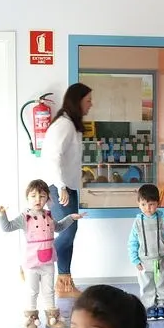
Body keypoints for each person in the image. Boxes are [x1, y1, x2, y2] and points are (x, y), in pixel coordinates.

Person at [0, 179, 85, 328]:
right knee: (32, 291)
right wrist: (2, 214)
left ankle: (52, 318)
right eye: (33, 196)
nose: (38, 199)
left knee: (49, 290)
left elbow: (59, 227)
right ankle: (31, 319)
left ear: (48, 198)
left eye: (42, 196)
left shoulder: (49, 215)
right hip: (32, 263)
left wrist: (71, 217)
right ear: (27, 198)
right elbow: (7, 227)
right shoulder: (24, 217)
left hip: (48, 261)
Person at [41, 82, 92, 299]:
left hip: (68, 186)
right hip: (59, 187)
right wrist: (61, 186)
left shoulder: (71, 124)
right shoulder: (64, 125)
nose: (91, 105)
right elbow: (52, 157)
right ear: (77, 101)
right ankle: (36, 260)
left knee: (70, 233)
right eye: (88, 100)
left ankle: (64, 284)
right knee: (67, 232)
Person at [128, 183, 164, 321]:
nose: (147, 208)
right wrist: (135, 260)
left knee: (162, 282)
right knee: (146, 284)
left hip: (162, 260)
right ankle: (150, 307)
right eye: (143, 204)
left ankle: (161, 306)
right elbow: (132, 242)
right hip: (144, 261)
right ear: (138, 204)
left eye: (151, 204)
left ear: (158, 203)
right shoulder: (137, 223)